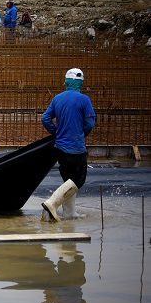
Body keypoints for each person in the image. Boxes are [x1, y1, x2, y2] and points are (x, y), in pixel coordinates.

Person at [40, 68, 96, 222]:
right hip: (76, 148)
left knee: (68, 181)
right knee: (79, 180)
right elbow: (90, 122)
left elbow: (45, 118)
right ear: (80, 83)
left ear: (66, 82)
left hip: (60, 149)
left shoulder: (57, 98)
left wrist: (56, 132)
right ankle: (51, 203)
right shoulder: (84, 100)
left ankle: (70, 214)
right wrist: (81, 134)